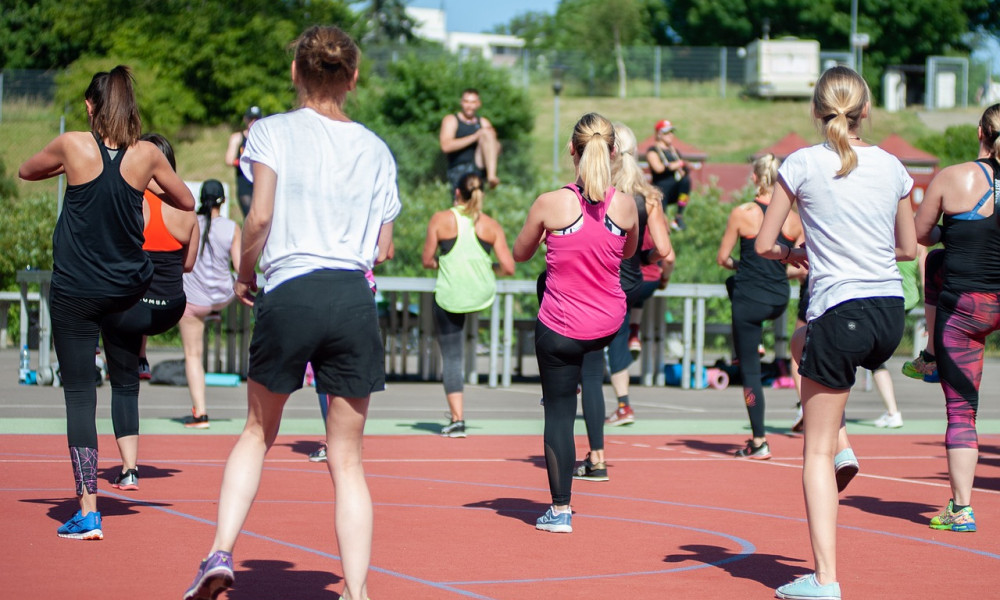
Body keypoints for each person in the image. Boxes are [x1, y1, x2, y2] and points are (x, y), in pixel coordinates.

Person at [183, 25, 399, 600]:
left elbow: (257, 219)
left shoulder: (270, 132)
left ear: (295, 72)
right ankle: (356, 592)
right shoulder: (377, 149)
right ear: (352, 77)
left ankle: (220, 551)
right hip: (352, 297)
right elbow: (383, 247)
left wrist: (246, 274)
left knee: (257, 432)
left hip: (292, 290)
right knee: (348, 461)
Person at [755, 66, 916, 599]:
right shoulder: (893, 166)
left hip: (840, 306)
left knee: (814, 454)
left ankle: (824, 580)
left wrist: (796, 252)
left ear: (816, 111)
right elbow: (909, 248)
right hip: (889, 311)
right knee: (813, 355)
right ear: (866, 110)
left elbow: (762, 244)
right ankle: (843, 444)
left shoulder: (801, 163)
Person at [18, 66, 195, 540]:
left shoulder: (73, 145)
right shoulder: (148, 156)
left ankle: (88, 510)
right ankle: (130, 452)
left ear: (91, 107)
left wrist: (71, 170)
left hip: (75, 292)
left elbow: (26, 170)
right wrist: (144, 183)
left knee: (79, 396)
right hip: (125, 292)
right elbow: (185, 202)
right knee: (122, 380)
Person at [513, 112, 638, 533]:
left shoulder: (550, 203)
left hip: (561, 327)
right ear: (614, 151)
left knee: (559, 413)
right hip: (603, 324)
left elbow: (520, 253)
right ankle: (597, 454)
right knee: (592, 377)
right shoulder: (625, 204)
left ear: (572, 149)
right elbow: (626, 249)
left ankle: (561, 510)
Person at [914, 103, 1000, 534]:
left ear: (980, 132)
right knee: (937, 265)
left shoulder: (953, 176)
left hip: (965, 308)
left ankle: (962, 509)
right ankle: (929, 353)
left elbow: (921, 235)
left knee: (962, 412)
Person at [104, 133, 199, 490]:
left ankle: (129, 469)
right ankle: (141, 354)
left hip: (132, 310)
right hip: (170, 308)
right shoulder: (187, 211)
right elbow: (188, 266)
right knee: (139, 293)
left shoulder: (127, 204)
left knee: (124, 387)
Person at [717, 153, 803, 459]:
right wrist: (777, 270)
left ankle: (758, 441)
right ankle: (758, 344)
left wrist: (744, 266)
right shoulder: (793, 219)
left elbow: (723, 258)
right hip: (779, 297)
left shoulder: (743, 212)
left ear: (755, 178)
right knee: (740, 292)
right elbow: (803, 265)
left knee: (750, 373)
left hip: (749, 301)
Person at [422, 172, 515, 437]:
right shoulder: (490, 225)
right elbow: (508, 268)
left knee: (452, 356)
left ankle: (457, 419)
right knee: (470, 340)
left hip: (451, 295)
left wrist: (446, 262)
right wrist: (485, 267)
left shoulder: (441, 220)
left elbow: (427, 260)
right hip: (481, 294)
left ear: (457, 193)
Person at [597, 123, 672, 432]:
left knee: (597, 340)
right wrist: (646, 257)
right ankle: (623, 402)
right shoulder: (649, 197)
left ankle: (613, 400)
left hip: (603, 280)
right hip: (633, 280)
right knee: (618, 336)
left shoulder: (600, 193)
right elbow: (665, 250)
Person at [178, 180, 241, 429]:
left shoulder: (190, 223)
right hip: (223, 296)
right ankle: (215, 313)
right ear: (223, 201)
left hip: (193, 301)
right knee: (221, 296)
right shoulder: (231, 227)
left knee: (193, 355)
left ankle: (200, 414)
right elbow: (238, 265)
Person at [439, 88, 501, 191]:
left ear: (478, 104)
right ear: (461, 102)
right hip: (459, 169)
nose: (469, 106)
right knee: (462, 206)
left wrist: (494, 143)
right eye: (466, 101)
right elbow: (446, 146)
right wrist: (475, 137)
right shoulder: (452, 120)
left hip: (479, 169)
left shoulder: (483, 122)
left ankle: (491, 176)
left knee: (487, 133)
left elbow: (496, 150)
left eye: (473, 102)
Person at [646, 119, 691, 230]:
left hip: (674, 189)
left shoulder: (674, 151)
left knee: (686, 181)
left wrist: (685, 167)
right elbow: (658, 168)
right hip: (661, 189)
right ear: (659, 134)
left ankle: (679, 216)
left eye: (671, 132)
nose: (670, 135)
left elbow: (682, 168)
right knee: (661, 221)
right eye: (666, 132)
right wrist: (677, 164)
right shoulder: (653, 151)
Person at [224, 105, 263, 218]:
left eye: (256, 119)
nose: (253, 122)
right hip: (244, 181)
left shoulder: (264, 137)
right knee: (249, 215)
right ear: (246, 120)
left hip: (260, 180)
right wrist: (246, 162)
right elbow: (229, 160)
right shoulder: (238, 137)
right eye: (251, 119)